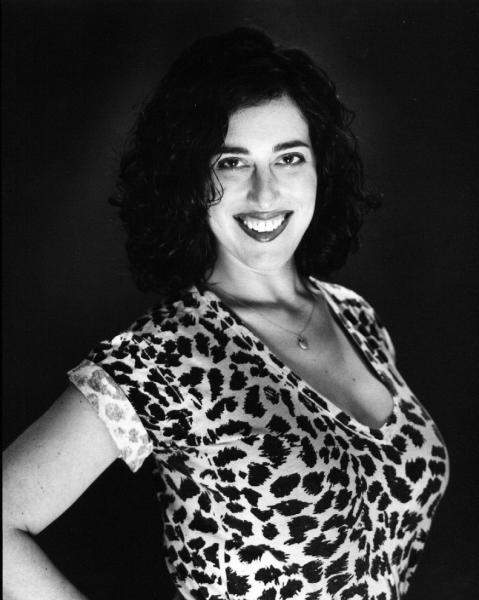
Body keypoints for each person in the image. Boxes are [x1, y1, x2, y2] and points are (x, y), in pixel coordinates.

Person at [3, 27, 449, 600]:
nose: (265, 193)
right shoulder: (161, 358)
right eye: (233, 162)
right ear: (190, 179)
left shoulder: (357, 318)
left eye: (289, 157)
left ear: (321, 168)